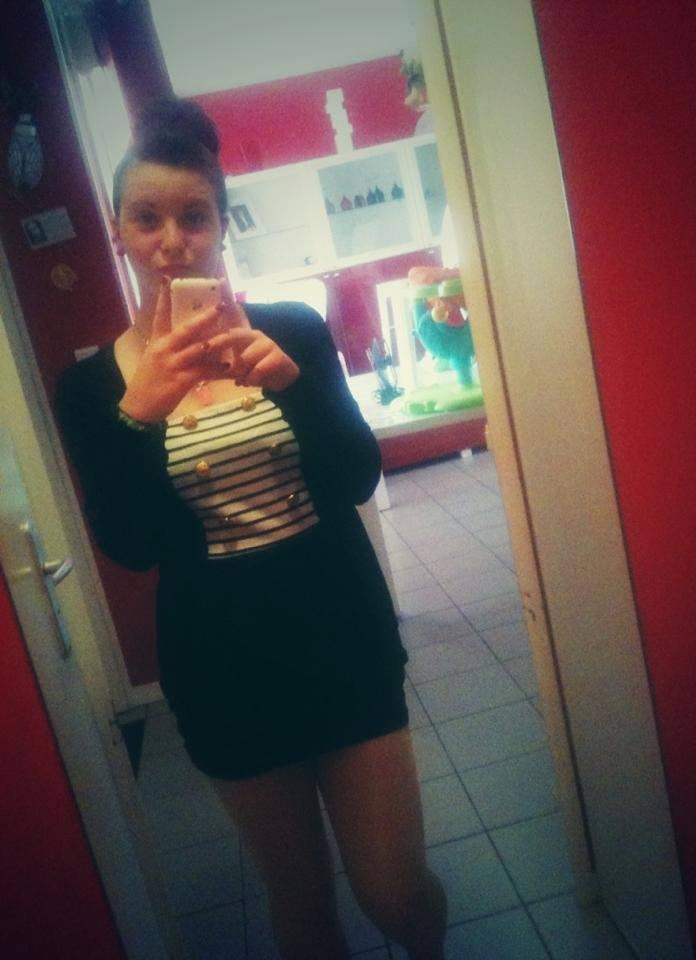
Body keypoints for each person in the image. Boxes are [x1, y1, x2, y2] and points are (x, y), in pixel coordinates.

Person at [55, 96, 447, 960]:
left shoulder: (293, 330)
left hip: (343, 638)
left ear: (221, 227)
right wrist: (138, 416)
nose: (172, 241)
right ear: (118, 231)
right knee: (301, 907)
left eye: (194, 217)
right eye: (147, 218)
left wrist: (290, 386)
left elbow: (355, 477)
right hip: (223, 670)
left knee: (394, 891)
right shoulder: (90, 391)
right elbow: (129, 545)